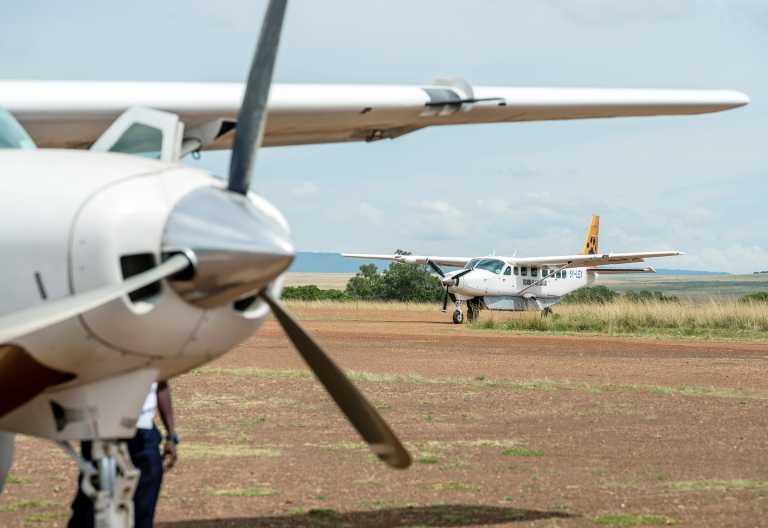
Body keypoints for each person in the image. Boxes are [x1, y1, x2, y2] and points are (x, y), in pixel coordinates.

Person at [68, 380, 179, 528]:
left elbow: (162, 382)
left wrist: (171, 435)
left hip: (144, 434)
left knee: (143, 512)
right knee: (90, 510)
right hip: (101, 431)